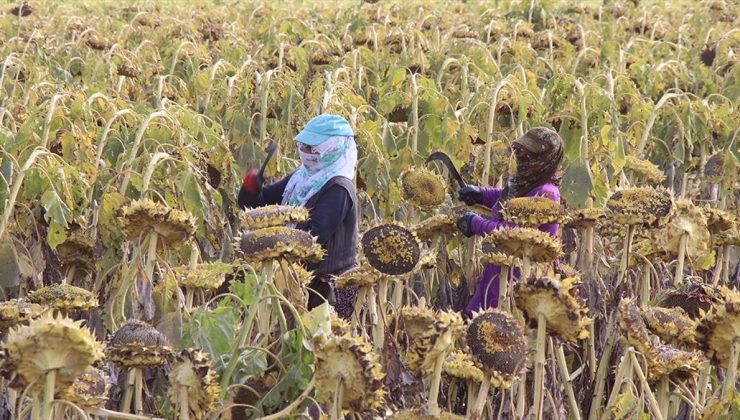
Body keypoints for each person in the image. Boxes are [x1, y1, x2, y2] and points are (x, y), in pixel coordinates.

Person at [238, 114, 359, 319]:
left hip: (326, 291)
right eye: (304, 146)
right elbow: (261, 205)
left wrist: (266, 245)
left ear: (334, 147)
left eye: (313, 148)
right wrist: (252, 188)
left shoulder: (339, 187)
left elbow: (311, 236)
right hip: (296, 280)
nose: (306, 152)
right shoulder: (302, 177)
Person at [456, 127, 563, 315]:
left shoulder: (547, 193)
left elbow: (513, 233)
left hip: (522, 277)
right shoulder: (529, 181)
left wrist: (475, 224)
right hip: (501, 268)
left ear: (544, 158)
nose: (520, 156)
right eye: (520, 151)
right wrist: (482, 195)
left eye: (527, 153)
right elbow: (509, 199)